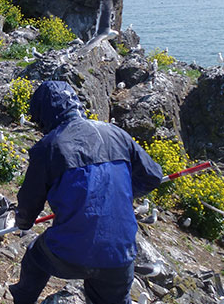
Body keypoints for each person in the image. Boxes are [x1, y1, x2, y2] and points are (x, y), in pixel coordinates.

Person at [9, 81, 163, 304]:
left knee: (34, 257)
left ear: (44, 113)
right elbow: (153, 176)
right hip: (119, 254)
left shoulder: (49, 147)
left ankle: (23, 300)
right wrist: (122, 193)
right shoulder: (116, 134)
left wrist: (23, 223)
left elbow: (29, 202)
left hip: (70, 253)